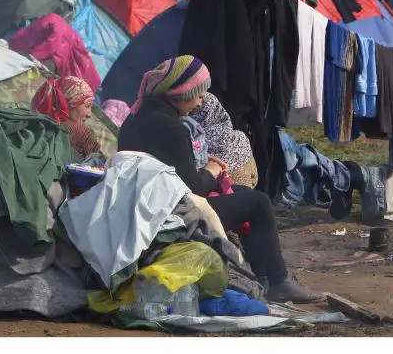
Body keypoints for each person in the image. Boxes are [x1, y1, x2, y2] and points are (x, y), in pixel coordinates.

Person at [117, 56, 323, 304]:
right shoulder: (171, 129)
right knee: (259, 203)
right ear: (181, 94)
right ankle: (278, 281)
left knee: (241, 193)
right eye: (198, 96)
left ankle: (262, 278)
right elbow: (193, 191)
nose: (200, 103)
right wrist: (212, 170)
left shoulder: (135, 118)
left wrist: (205, 168)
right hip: (171, 217)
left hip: (142, 205)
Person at [33, 76, 101, 160]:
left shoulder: (34, 122)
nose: (89, 114)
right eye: (87, 106)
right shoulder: (84, 134)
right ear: (69, 105)